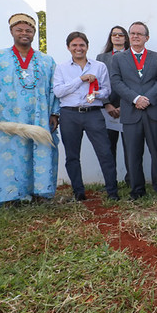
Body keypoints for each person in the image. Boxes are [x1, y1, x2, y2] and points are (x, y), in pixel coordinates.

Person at [0, 13, 60, 209]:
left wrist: (54, 114)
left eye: (29, 30)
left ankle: (39, 194)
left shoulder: (47, 62)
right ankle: (9, 198)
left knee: (38, 152)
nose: (24, 33)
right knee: (8, 156)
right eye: (19, 30)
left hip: (38, 120)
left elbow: (53, 89)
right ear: (11, 32)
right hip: (6, 120)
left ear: (34, 34)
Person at [53, 31, 118, 201]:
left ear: (87, 47)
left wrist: (96, 94)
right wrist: (80, 79)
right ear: (68, 47)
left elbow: (107, 91)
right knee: (72, 155)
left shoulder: (99, 66)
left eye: (82, 45)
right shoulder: (61, 68)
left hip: (93, 114)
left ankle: (112, 192)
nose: (78, 48)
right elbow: (58, 92)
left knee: (105, 152)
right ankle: (79, 192)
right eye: (74, 45)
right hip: (69, 114)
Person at [109, 21, 157, 199]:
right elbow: (116, 82)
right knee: (133, 153)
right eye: (132, 33)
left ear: (146, 38)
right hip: (131, 111)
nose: (135, 36)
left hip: (154, 111)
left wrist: (146, 99)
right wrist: (135, 99)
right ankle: (137, 190)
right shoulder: (118, 58)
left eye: (139, 34)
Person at [96, 25, 130, 185]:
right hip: (107, 109)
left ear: (126, 38)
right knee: (109, 147)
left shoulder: (133, 55)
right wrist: (107, 104)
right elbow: (97, 84)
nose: (117, 37)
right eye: (114, 34)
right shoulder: (101, 58)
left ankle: (132, 180)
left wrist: (126, 105)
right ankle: (111, 182)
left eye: (121, 34)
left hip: (129, 107)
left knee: (131, 147)